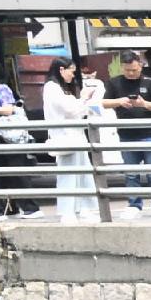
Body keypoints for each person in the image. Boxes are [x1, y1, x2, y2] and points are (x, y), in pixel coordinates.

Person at [102, 51, 151, 214]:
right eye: (127, 70)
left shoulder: (150, 83)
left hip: (150, 133)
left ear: (140, 66)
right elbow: (104, 102)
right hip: (126, 134)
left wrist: (144, 104)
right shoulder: (114, 83)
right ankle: (134, 205)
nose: (131, 73)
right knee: (131, 173)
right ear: (122, 67)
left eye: (134, 70)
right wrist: (119, 101)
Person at [40, 59, 108, 223]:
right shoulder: (52, 88)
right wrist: (84, 99)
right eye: (71, 71)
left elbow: (74, 109)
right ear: (61, 70)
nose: (72, 75)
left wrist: (83, 102)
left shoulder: (61, 88)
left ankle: (85, 208)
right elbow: (70, 110)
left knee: (83, 173)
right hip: (66, 137)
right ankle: (67, 212)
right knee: (69, 175)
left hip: (76, 136)